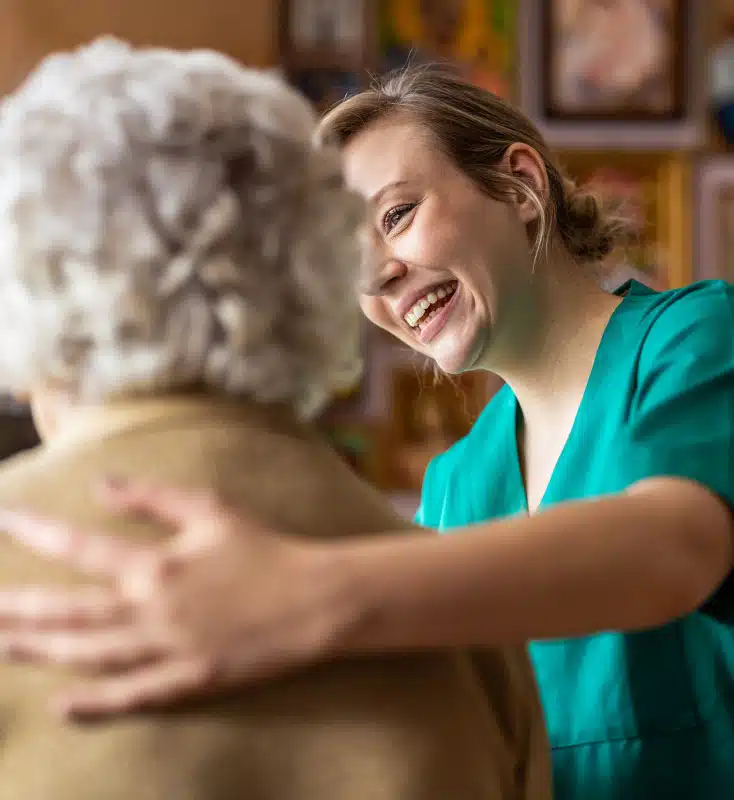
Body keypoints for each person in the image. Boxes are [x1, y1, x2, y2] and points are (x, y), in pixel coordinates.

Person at [0, 65, 732, 800]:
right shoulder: (456, 482)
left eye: (397, 215)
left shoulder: (698, 337)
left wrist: (301, 593)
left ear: (519, 185)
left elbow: (675, 545)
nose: (379, 275)